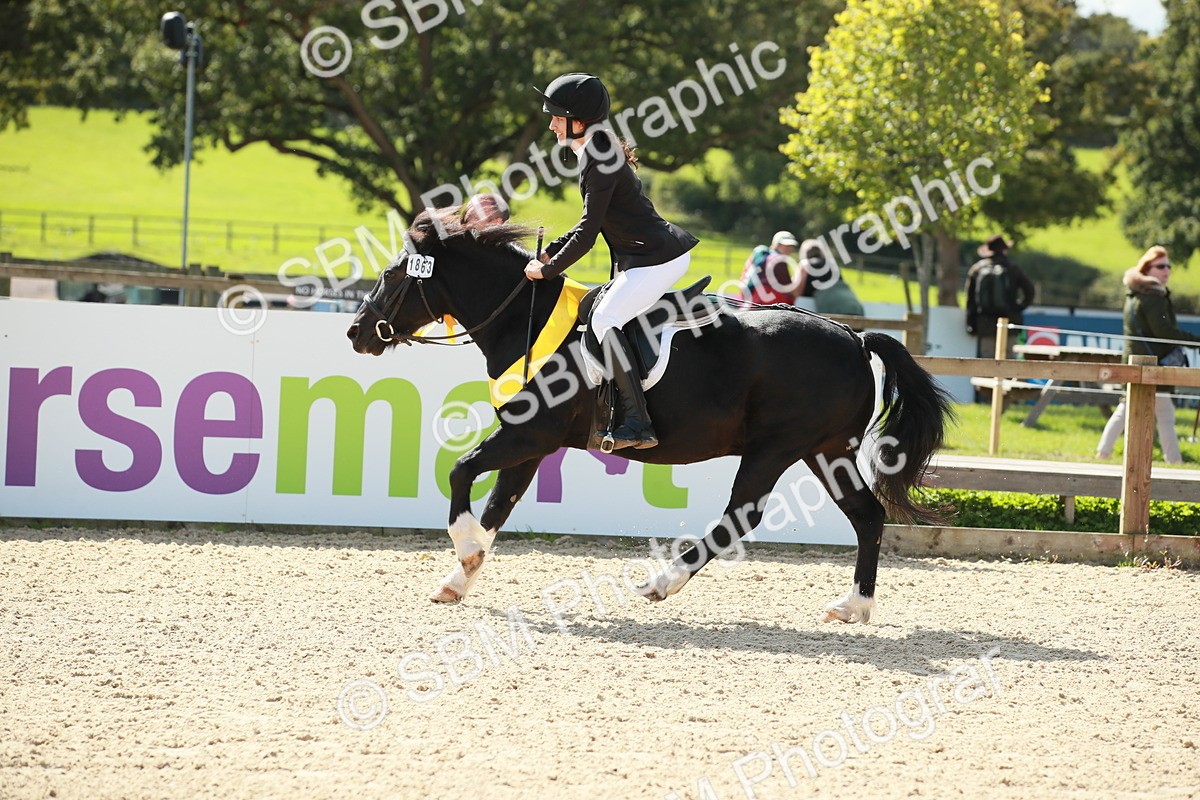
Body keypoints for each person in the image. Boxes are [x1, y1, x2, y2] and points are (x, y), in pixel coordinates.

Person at [525, 73, 699, 450]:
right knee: (597, 311)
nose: (552, 125)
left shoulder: (599, 156)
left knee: (604, 319)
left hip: (657, 259)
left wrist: (548, 270)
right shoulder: (595, 149)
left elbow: (588, 234)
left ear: (579, 121)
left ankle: (638, 423)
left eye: (557, 117)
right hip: (646, 256)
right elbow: (588, 223)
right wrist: (550, 250)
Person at [1096, 246, 1200, 463]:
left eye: (1168, 266)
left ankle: (1103, 452)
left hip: (1136, 361)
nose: (1166, 270)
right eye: (1160, 266)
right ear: (1146, 269)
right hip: (1152, 365)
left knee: (1130, 409)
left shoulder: (1134, 294)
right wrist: (1195, 340)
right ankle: (1174, 461)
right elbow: (1164, 332)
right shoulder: (1153, 296)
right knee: (1163, 414)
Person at [964, 234, 1035, 358]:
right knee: (1009, 359)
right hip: (1010, 321)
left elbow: (970, 300)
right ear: (1004, 250)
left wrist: (971, 324)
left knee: (987, 360)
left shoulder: (977, 269)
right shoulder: (1013, 269)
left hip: (985, 323)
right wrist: (1018, 307)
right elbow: (1030, 291)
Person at [797, 239, 865, 316]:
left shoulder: (805, 264)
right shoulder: (833, 264)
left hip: (831, 309)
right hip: (855, 306)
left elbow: (797, 292)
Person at [740, 231, 800, 305]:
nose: (790, 249)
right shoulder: (779, 260)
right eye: (786, 246)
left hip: (752, 299)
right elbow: (789, 288)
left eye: (791, 246)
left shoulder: (762, 256)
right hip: (770, 301)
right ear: (776, 245)